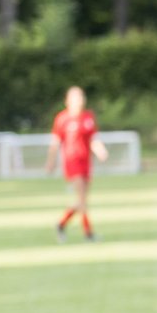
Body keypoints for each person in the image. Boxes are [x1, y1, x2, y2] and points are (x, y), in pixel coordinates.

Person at [45, 86, 108, 242]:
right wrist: (51, 162)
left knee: (82, 201)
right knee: (81, 200)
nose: (80, 100)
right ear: (68, 101)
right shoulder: (62, 119)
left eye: (81, 97)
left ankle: (61, 224)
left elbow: (93, 139)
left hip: (86, 162)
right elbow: (55, 143)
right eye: (76, 97)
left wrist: (100, 151)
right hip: (72, 163)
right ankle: (88, 234)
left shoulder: (88, 117)